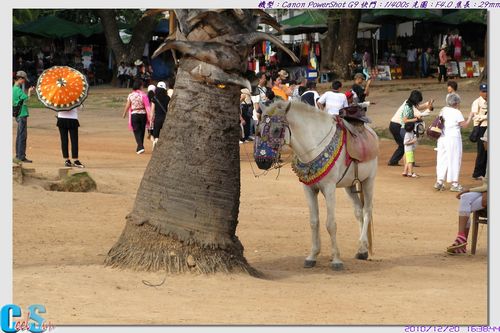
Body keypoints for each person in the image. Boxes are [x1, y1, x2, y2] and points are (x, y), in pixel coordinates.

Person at [446, 134, 487, 255]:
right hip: (487, 190)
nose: (483, 144)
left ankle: (460, 240)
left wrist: (469, 190)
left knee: (466, 198)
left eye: (485, 141)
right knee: (465, 199)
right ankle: (461, 238)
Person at [434, 94, 475, 192]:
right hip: (453, 138)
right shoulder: (457, 112)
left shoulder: (443, 110)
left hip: (442, 137)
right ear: (456, 103)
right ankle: (454, 183)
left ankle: (439, 181)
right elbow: (464, 125)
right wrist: (470, 117)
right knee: (455, 159)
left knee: (442, 159)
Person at [388, 90, 433, 166]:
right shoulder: (409, 107)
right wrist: (428, 109)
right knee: (407, 144)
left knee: (403, 145)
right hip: (396, 126)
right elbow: (421, 115)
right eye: (418, 101)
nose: (418, 103)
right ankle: (409, 162)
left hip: (395, 125)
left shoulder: (407, 102)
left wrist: (427, 104)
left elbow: (417, 107)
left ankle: (395, 161)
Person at [122, 79, 151, 154]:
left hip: (134, 114)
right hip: (143, 114)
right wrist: (150, 116)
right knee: (142, 131)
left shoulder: (131, 95)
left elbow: (128, 105)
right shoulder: (143, 95)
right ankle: (140, 147)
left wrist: (124, 113)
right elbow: (147, 106)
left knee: (136, 131)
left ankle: (140, 146)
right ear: (140, 86)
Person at [13, 71, 35, 163]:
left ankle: (19, 155)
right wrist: (30, 92)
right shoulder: (17, 90)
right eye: (24, 79)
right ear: (20, 79)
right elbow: (26, 98)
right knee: (22, 136)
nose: (24, 81)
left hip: (19, 114)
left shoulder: (14, 88)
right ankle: (21, 156)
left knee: (19, 135)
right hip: (22, 114)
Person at [471, 84, 488, 180]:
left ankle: (486, 172)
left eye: (487, 91)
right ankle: (477, 173)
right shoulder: (476, 102)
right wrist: (485, 117)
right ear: (480, 92)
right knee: (481, 151)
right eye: (484, 91)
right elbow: (475, 116)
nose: (485, 93)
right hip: (481, 128)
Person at [150, 81, 170, 149]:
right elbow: (169, 108)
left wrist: (151, 120)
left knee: (156, 133)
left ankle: (155, 142)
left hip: (157, 118)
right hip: (166, 118)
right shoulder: (168, 98)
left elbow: (152, 110)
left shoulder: (154, 98)